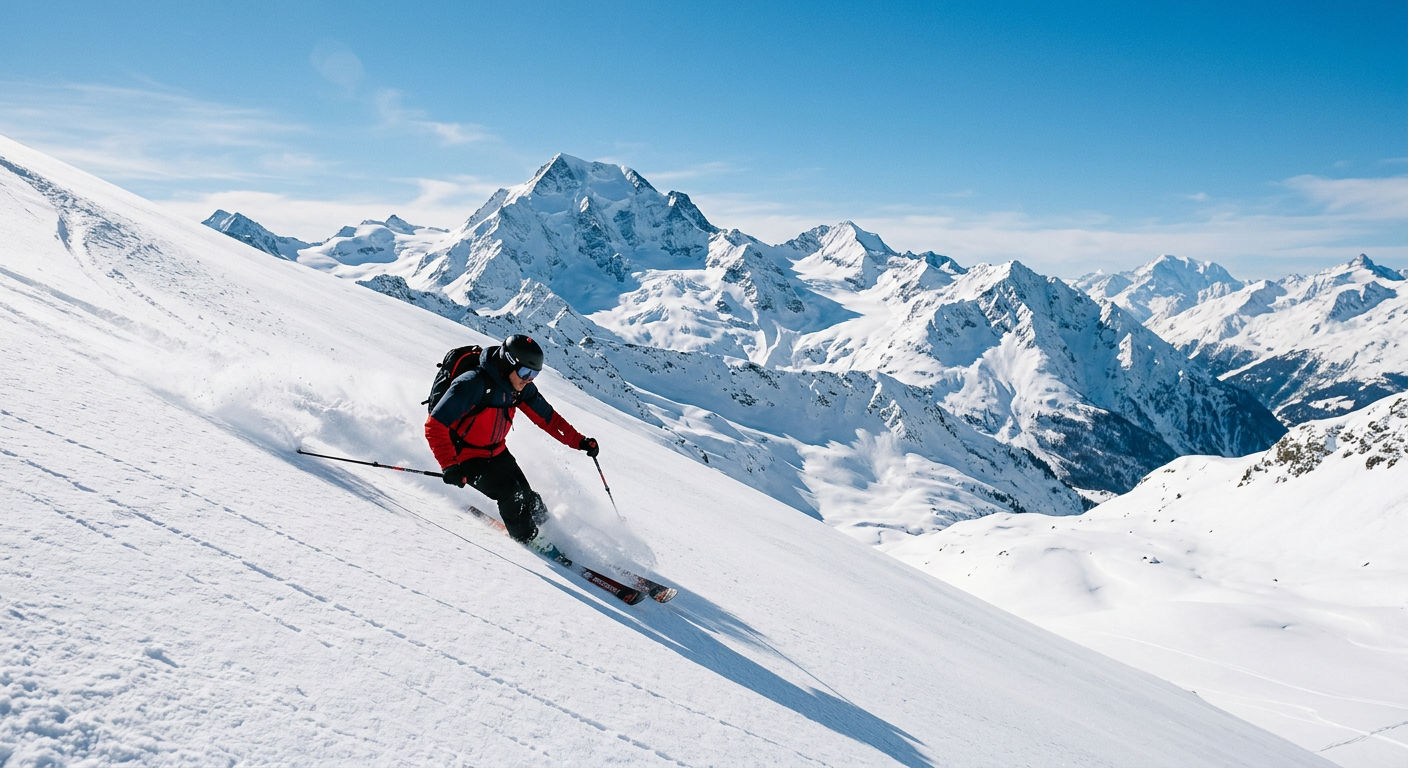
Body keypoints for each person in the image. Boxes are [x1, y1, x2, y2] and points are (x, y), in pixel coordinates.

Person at [425, 334, 599, 545]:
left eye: (534, 374)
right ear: (508, 363)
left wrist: (579, 441)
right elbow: (435, 426)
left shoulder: (520, 388)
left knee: (530, 497)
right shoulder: (471, 384)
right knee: (511, 495)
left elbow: (549, 419)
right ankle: (529, 542)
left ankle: (555, 536)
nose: (528, 379)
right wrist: (449, 465)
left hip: (497, 451)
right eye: (525, 372)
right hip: (465, 455)